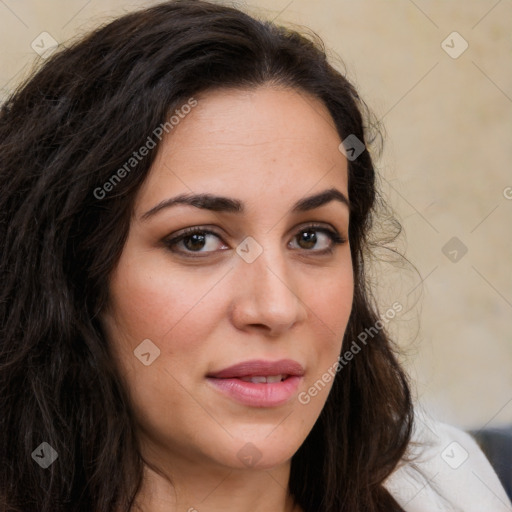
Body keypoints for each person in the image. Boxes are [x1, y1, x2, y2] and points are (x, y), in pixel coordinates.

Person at [0, 1, 509, 511]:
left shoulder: (446, 488)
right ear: (68, 274)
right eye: (197, 240)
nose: (276, 308)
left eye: (311, 237)